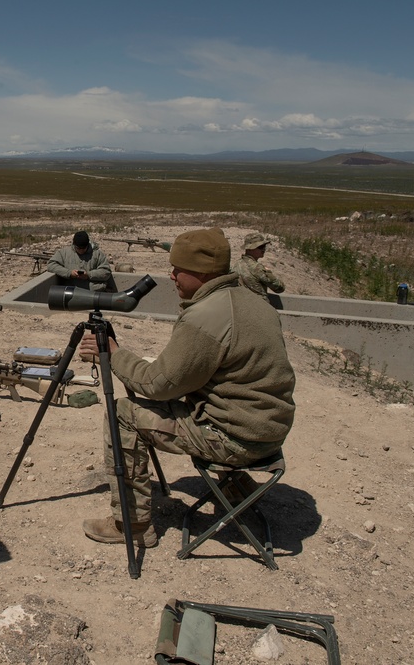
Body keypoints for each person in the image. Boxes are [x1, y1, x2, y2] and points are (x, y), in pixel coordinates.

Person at [78, 227, 296, 547]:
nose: (173, 276)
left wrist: (112, 353)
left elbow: (157, 385)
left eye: (179, 270)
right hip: (270, 430)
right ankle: (237, 488)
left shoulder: (207, 316)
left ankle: (132, 525)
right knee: (209, 398)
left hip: (234, 439)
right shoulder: (253, 302)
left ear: (202, 273)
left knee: (122, 413)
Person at [46, 230, 113, 292]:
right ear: (74, 244)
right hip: (71, 291)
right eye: (78, 248)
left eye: (83, 248)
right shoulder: (64, 253)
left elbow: (106, 272)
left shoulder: (97, 254)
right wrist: (69, 273)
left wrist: (88, 275)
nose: (81, 250)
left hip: (93, 292)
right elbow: (51, 265)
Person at [232, 232, 285, 302]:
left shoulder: (237, 264)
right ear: (250, 249)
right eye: (260, 247)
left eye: (264, 246)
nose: (263, 250)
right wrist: (268, 273)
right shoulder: (257, 268)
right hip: (259, 307)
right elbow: (279, 288)